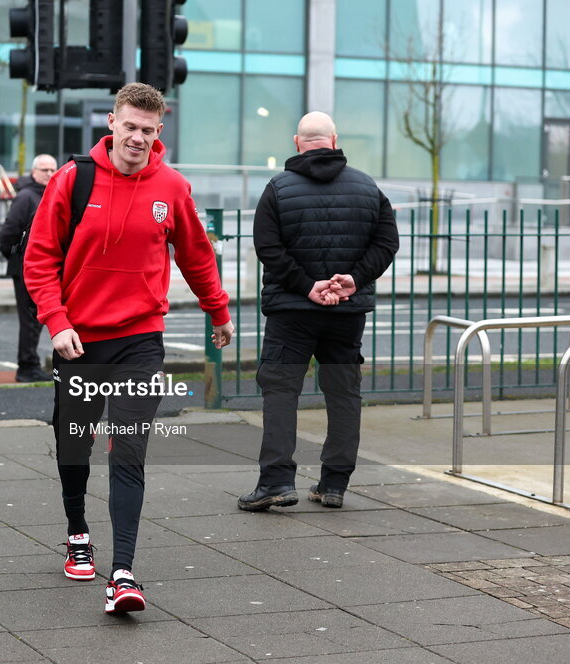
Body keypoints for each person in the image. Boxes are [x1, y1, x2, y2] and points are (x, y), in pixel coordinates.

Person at [24, 82, 234, 614]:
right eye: (130, 127)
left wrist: (218, 310)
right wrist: (57, 320)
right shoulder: (74, 179)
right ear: (113, 124)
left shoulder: (173, 188)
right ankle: (77, 532)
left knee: (129, 450)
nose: (138, 137)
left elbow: (196, 255)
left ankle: (123, 573)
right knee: (73, 442)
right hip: (79, 342)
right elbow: (39, 258)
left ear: (159, 132)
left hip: (141, 341)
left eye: (148, 130)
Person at [238, 111, 399, 512]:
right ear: (334, 140)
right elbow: (386, 243)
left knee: (280, 391)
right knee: (343, 392)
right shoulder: (368, 188)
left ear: (297, 143)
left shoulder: (278, 188)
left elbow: (268, 249)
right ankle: (334, 484)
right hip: (347, 311)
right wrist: (353, 280)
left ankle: (276, 481)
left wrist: (306, 286)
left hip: (291, 311)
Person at [0, 154, 56, 383]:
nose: (50, 174)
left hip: (41, 268)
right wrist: (18, 258)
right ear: (34, 172)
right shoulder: (26, 197)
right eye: (45, 170)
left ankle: (30, 363)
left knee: (38, 319)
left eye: (53, 170)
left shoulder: (49, 194)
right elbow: (8, 233)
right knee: (30, 320)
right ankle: (26, 366)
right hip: (24, 269)